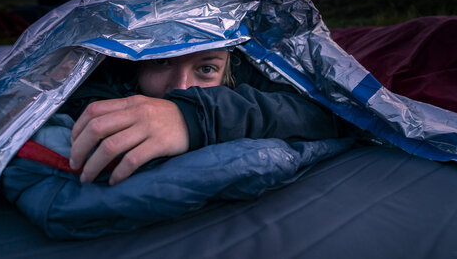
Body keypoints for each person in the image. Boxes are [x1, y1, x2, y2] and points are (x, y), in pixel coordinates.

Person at [64, 49, 345, 186]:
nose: (181, 86)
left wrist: (196, 116)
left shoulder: (247, 68)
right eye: (162, 61)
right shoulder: (107, 74)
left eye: (207, 68)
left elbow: (326, 113)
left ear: (228, 73)